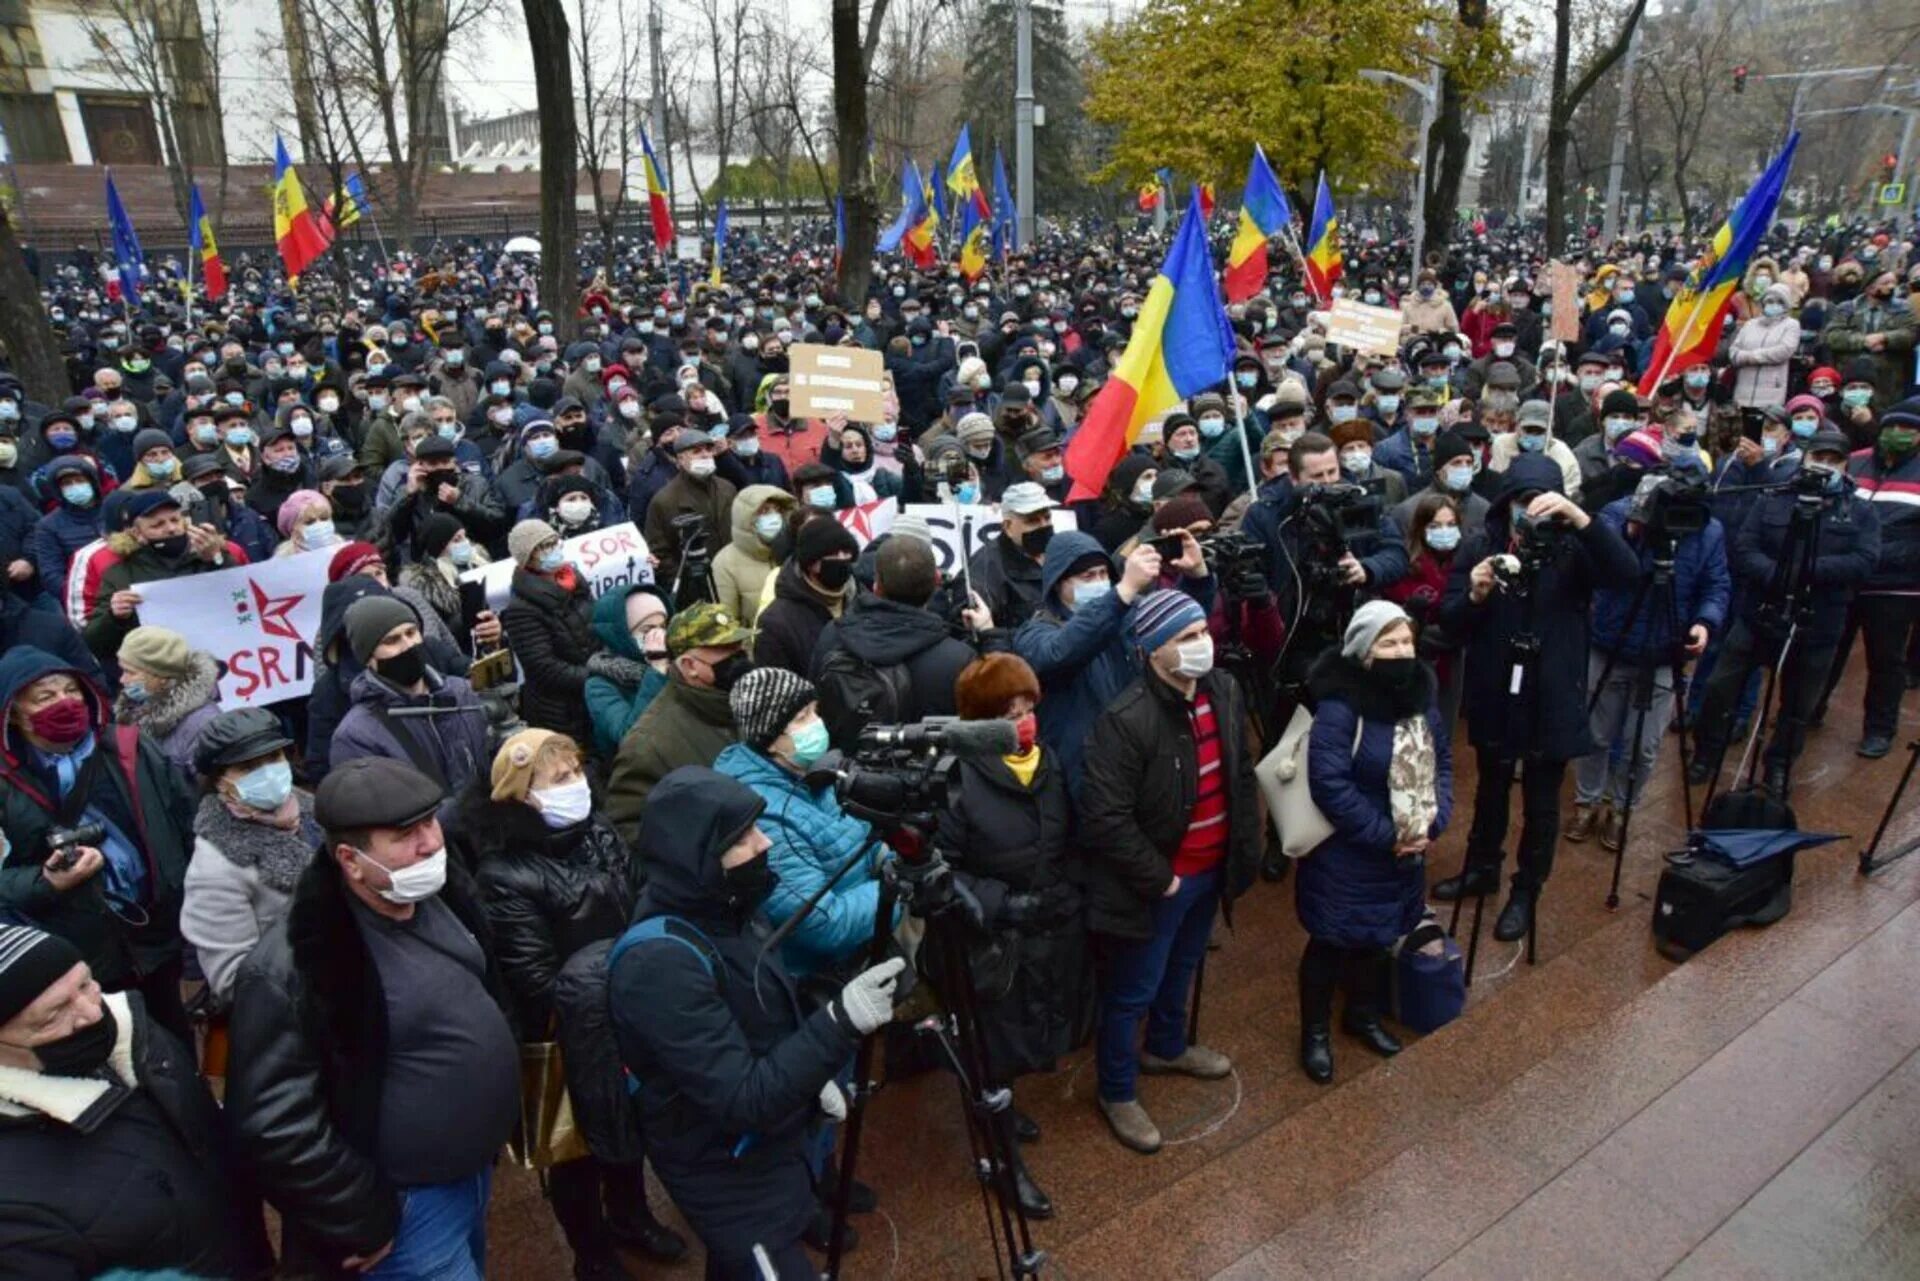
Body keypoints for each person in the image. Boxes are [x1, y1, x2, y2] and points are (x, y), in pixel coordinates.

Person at [607, 765, 906, 1280]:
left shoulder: (730, 909)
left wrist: (811, 1088)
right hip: (728, 1176)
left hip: (766, 1154)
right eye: (743, 837)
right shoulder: (659, 963)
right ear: (697, 856)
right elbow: (740, 1099)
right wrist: (839, 1023)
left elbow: (759, 1024)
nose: (764, 843)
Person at [226, 757, 519, 1280]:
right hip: (405, 1210)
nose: (431, 843)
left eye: (431, 822)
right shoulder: (294, 966)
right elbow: (275, 1124)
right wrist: (359, 1214)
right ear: (351, 860)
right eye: (406, 835)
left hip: (471, 1174)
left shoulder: (438, 894)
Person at [456, 729, 687, 1277]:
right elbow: (536, 977)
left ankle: (630, 1215)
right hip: (565, 1033)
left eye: (578, 772)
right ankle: (592, 1253)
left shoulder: (597, 831)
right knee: (578, 1151)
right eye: (560, 779)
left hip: (627, 1009)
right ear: (522, 798)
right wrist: (623, 972)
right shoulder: (503, 875)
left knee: (627, 1124)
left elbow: (638, 895)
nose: (577, 785)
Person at [1079, 590, 1259, 1154]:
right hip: (1163, 883)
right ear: (1153, 650)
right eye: (1185, 638)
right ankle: (1116, 1090)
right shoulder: (1125, 719)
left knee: (1183, 968)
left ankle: (1167, 1046)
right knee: (1134, 989)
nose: (1201, 645)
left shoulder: (1223, 690)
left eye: (1202, 631)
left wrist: (1243, 854)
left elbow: (1240, 772)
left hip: (1212, 871)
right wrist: (1161, 879)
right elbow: (1104, 816)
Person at [1433, 453, 1640, 942]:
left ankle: (1527, 889)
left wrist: (1583, 522)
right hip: (1495, 689)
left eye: (1540, 503)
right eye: (1522, 502)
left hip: (1551, 692)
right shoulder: (1482, 545)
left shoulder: (1572, 549)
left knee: (1542, 802)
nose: (1531, 513)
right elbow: (1451, 620)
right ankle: (1482, 866)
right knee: (1490, 788)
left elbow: (1626, 574)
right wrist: (1477, 595)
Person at [0, 921, 274, 1279]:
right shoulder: (11, 1198)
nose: (93, 1013)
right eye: (54, 1015)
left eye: (86, 983)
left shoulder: (135, 1035)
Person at [932, 654, 1087, 1218]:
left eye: (1028, 708)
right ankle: (1002, 1163)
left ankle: (1002, 1107)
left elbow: (1066, 838)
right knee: (991, 1051)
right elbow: (941, 867)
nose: (1023, 722)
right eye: (1007, 711)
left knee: (1026, 1035)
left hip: (1045, 932)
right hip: (989, 944)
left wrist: (1066, 886)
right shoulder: (957, 777)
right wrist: (1003, 904)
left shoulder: (1049, 764)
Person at [0, 647, 196, 1043]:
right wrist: (47, 882)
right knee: (112, 1046)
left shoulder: (130, 748)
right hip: (80, 953)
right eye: (45, 697)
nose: (65, 702)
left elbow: (186, 820)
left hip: (158, 932)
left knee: (174, 1038)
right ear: (14, 713)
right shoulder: (7, 784)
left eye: (71, 690)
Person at [1295, 602, 1452, 1083]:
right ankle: (1315, 1033)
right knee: (1330, 943)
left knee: (1378, 938)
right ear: (1364, 652)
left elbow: (1442, 765)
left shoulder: (1421, 699)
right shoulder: (1342, 707)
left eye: (1406, 641)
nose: (1401, 651)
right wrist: (1389, 837)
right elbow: (1330, 785)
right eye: (1389, 643)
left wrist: (1433, 823)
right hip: (1349, 857)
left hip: (1405, 855)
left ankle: (1361, 1014)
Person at [1692, 430, 1881, 795]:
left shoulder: (1859, 510)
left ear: (1845, 465)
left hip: (1817, 625)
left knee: (1797, 705)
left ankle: (1777, 767)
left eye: (1833, 460)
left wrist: (1809, 572)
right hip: (1759, 614)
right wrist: (1776, 574)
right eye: (1818, 457)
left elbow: (1864, 560)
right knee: (1720, 688)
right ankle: (1706, 753)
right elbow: (1745, 546)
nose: (1824, 466)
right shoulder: (1774, 499)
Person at [1568, 474, 1730, 848]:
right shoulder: (1616, 514)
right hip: (1610, 643)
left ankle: (1622, 808)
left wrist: (1705, 622)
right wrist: (1630, 535)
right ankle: (1587, 802)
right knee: (1595, 734)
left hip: (1663, 652)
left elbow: (1716, 584)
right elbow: (1599, 559)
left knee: (1644, 744)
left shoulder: (1706, 530)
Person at [180, 708, 315, 1005]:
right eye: (248, 767)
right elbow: (234, 981)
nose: (267, 772)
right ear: (220, 781)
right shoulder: (216, 869)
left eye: (274, 758)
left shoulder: (316, 812)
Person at [605, 602, 752, 836]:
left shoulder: (748, 700)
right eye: (726, 651)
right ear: (689, 665)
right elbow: (631, 826)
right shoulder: (649, 744)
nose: (740, 658)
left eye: (740, 647)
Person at [812, 533, 984, 732]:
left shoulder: (833, 635)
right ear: (936, 581)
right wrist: (988, 635)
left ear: (876, 584)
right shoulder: (958, 659)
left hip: (842, 760)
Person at [330, 595, 490, 805]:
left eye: (411, 633)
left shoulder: (461, 692)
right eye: (392, 640)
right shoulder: (356, 736)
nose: (408, 645)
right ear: (369, 658)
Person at [1835, 398, 1920, 759]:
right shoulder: (1855, 461)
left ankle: (1879, 730)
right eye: (1892, 427)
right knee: (1828, 652)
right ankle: (1809, 710)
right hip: (1844, 577)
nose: (1898, 434)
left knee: (1885, 661)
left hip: (1895, 585)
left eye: (1908, 430)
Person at [83, 488, 236, 661]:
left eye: (175, 520)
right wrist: (115, 617)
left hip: (221, 656)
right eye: (158, 525)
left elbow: (243, 597)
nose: (171, 529)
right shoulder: (119, 574)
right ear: (136, 533)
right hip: (162, 667)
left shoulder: (213, 553)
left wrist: (217, 559)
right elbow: (95, 643)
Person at [500, 519, 604, 745]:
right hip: (561, 712)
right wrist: (596, 676)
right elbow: (544, 668)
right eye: (544, 547)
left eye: (554, 542)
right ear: (528, 558)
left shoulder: (575, 582)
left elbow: (597, 626)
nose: (553, 550)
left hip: (593, 695)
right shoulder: (521, 610)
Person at [754, 515, 859, 677]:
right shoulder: (776, 623)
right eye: (833, 553)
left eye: (846, 552)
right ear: (811, 563)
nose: (842, 559)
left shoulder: (862, 598)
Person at [114, 623, 223, 777]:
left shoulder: (204, 723)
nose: (122, 679)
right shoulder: (137, 705)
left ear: (162, 677)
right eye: (122, 670)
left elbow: (203, 787)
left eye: (130, 672)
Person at [583, 585, 672, 760]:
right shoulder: (598, 686)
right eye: (647, 630)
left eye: (663, 626)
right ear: (623, 634)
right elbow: (630, 736)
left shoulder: (673, 663)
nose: (659, 634)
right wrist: (656, 671)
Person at [645, 431, 736, 591]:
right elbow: (660, 553)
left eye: (708, 450)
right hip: (695, 587)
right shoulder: (664, 500)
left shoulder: (727, 488)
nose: (705, 455)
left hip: (732, 577)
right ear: (680, 459)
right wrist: (688, 584)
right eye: (696, 451)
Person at [969, 481, 1057, 627]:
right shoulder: (986, 569)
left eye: (1047, 518)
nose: (1044, 526)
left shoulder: (1058, 552)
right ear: (1008, 526)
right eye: (1033, 521)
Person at [711, 483, 797, 625]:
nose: (774, 516)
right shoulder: (725, 563)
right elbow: (728, 623)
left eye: (777, 510)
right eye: (764, 511)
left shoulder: (794, 551)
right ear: (746, 518)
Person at [1728, 284, 1801, 409]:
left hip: (1771, 395)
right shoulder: (1750, 324)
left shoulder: (1791, 325)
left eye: (1779, 302)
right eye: (1770, 301)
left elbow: (1784, 351)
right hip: (1743, 392)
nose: (1773, 304)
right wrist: (1746, 356)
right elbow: (1734, 352)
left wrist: (1750, 356)